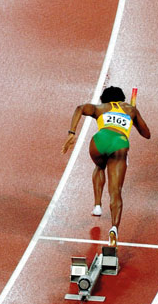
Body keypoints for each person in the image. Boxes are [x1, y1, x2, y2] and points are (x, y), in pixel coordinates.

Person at [62, 85, 150, 246]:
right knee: (116, 192)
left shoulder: (101, 108)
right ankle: (114, 229)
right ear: (122, 98)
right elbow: (147, 134)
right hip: (119, 143)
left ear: (104, 98)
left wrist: (72, 132)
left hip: (98, 141)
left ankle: (97, 205)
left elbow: (80, 108)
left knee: (99, 166)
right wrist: (134, 118)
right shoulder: (130, 110)